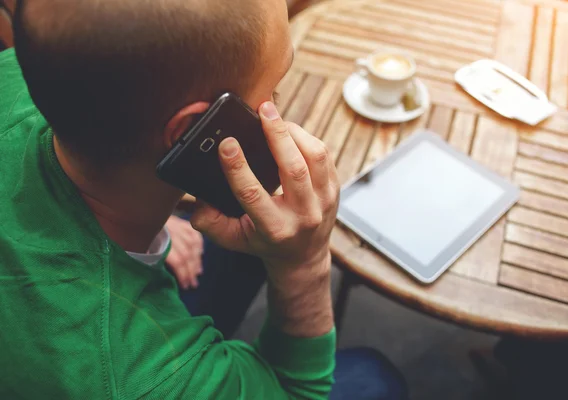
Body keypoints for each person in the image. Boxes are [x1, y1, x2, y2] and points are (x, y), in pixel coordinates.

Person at [0, 0, 408, 398]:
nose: (279, 110)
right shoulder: (138, 378)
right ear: (195, 132)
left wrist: (165, 221)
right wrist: (306, 262)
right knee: (375, 377)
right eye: (274, 89)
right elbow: (298, 390)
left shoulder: (18, 73)